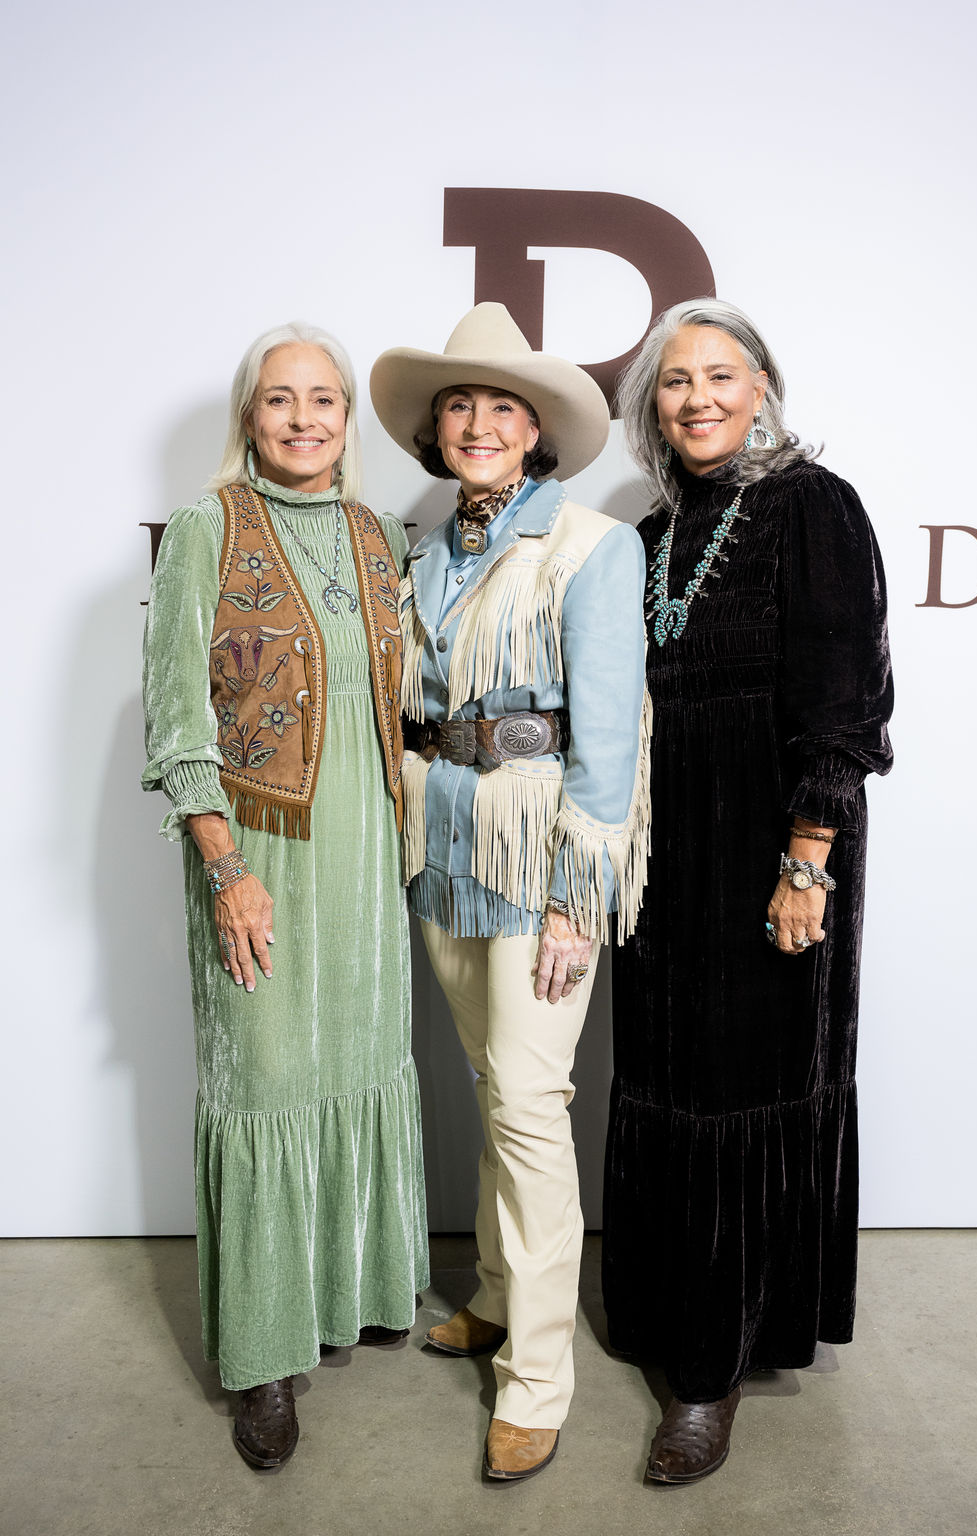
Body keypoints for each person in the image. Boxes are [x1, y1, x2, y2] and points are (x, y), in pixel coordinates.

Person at [604, 299, 893, 1484]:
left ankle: (711, 1372)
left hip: (775, 840)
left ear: (760, 386)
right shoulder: (648, 530)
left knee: (748, 1087)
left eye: (720, 376)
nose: (698, 399)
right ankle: (667, 1309)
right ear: (650, 405)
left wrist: (806, 858)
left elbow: (844, 695)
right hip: (664, 848)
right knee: (667, 1075)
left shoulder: (813, 505)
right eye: (675, 381)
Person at [369, 303, 650, 1481]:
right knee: (495, 1087)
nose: (478, 423)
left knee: (530, 1105)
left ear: (536, 431)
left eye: (502, 406)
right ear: (436, 430)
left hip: (539, 863)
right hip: (440, 850)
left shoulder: (592, 545)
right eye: (459, 405)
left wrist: (580, 902)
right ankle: (491, 1295)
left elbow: (610, 740)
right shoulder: (420, 551)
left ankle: (535, 1379)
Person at [142, 322, 429, 1469]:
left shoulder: (375, 535)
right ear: (248, 416)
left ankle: (355, 1288)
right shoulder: (206, 529)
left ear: (348, 418)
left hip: (364, 851)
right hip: (258, 851)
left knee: (356, 1058)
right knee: (261, 1079)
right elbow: (177, 723)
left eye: (323, 399)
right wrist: (225, 869)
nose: (303, 419)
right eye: (279, 399)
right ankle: (262, 1360)